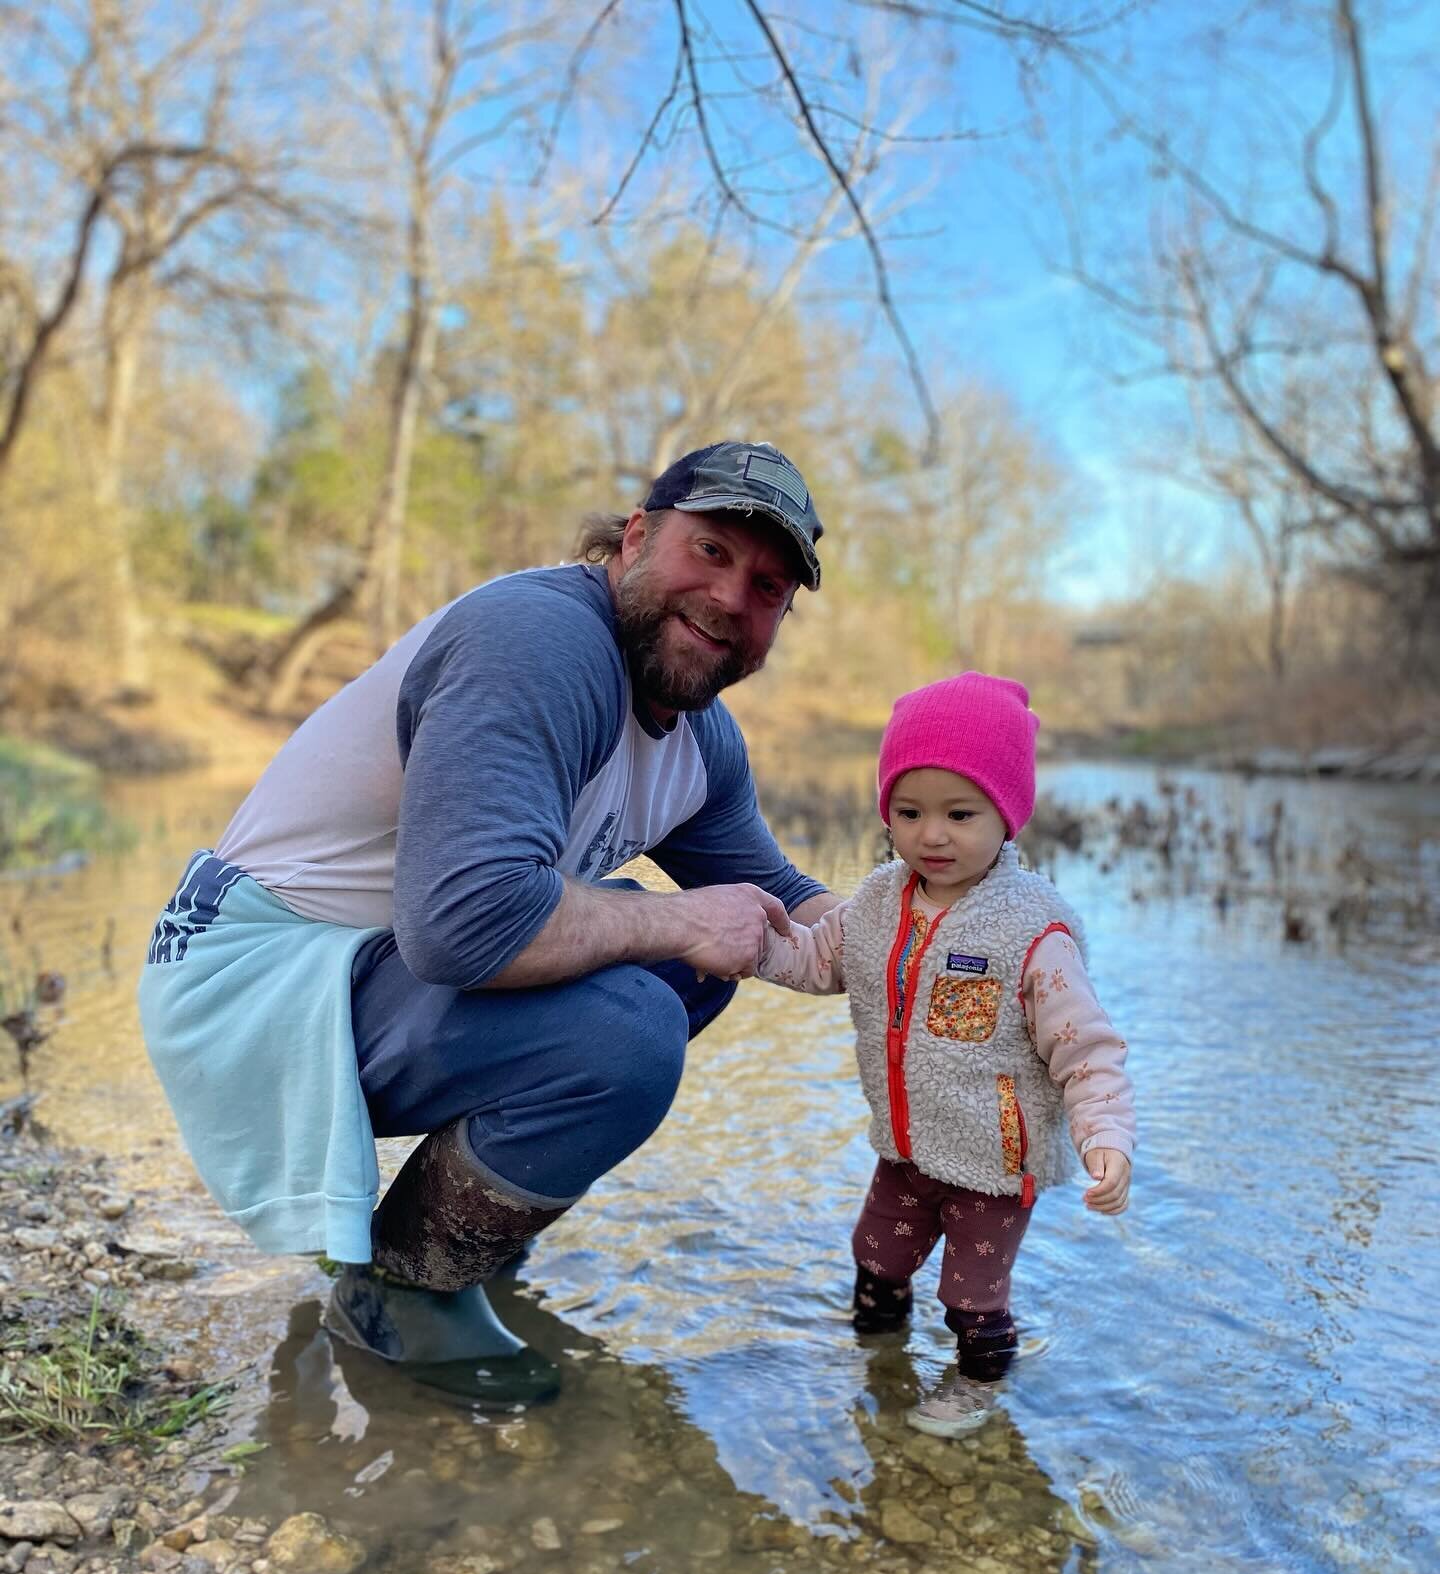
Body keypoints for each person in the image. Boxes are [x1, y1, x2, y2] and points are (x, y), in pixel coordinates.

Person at [139, 441, 840, 1404]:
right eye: (710, 551)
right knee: (631, 1025)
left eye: (767, 586)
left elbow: (784, 902)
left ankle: (461, 1226)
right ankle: (403, 1290)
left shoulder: (700, 735)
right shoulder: (542, 640)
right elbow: (466, 928)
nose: (730, 598)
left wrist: (933, 937)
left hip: (364, 972)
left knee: (692, 968)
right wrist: (681, 923)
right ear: (636, 537)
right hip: (249, 977)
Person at [756, 672, 1134, 1438]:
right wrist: (752, 945)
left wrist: (1107, 1139)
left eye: (960, 814)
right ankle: (877, 1355)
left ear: (1008, 815)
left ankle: (980, 1378)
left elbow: (1084, 1050)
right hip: (905, 1147)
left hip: (993, 1164)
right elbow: (819, 964)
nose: (932, 835)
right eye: (909, 812)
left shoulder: (1032, 932)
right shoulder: (877, 903)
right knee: (876, 1259)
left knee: (972, 1294)